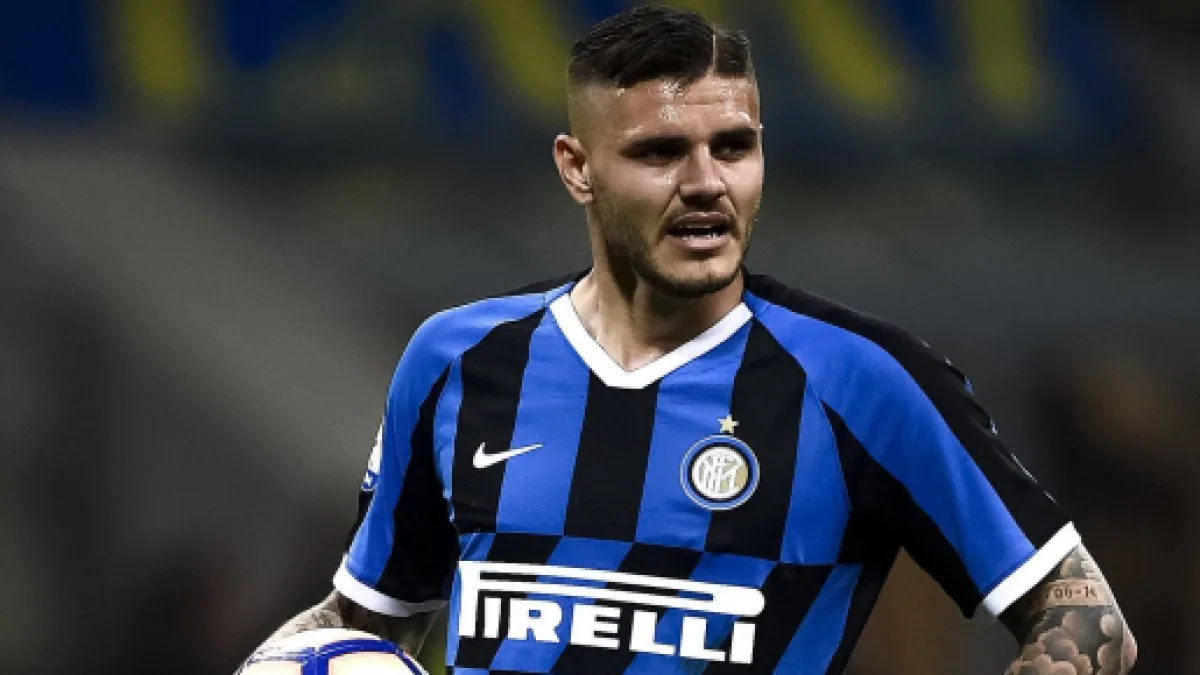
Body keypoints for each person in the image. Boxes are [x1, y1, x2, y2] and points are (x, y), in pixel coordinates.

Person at [253, 6, 1137, 674]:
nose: (707, 181)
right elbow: (362, 625)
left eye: (735, 146)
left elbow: (1087, 619)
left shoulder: (862, 381)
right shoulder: (458, 360)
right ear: (577, 168)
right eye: (661, 152)